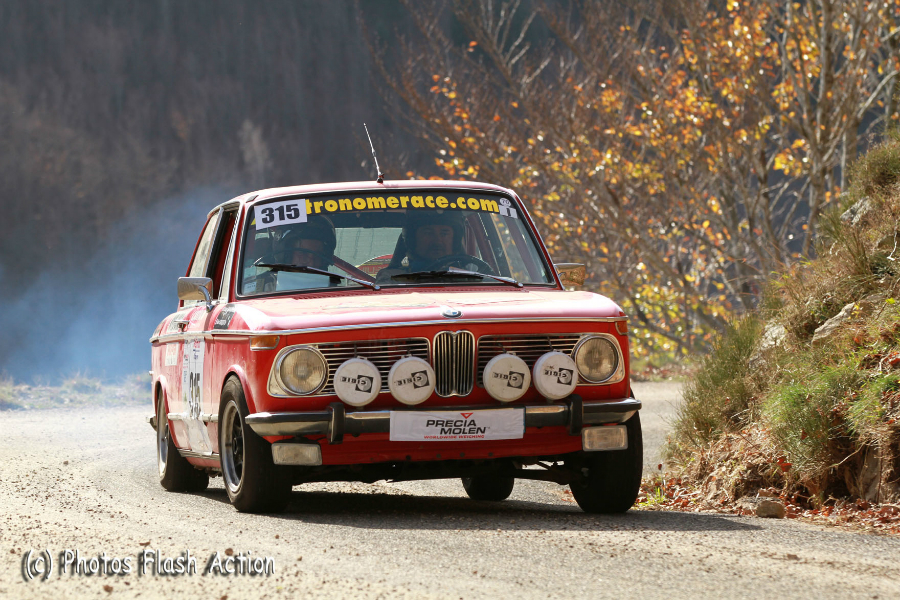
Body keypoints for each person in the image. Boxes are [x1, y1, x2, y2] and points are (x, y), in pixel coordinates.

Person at [376, 210, 488, 283]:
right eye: (428, 233)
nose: (437, 241)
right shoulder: (391, 280)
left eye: (444, 234)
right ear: (413, 239)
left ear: (455, 240)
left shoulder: (474, 274)